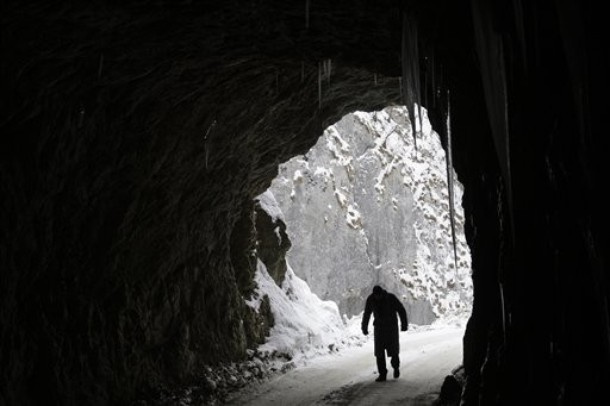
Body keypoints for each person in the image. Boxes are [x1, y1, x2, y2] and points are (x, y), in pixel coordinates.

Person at [361, 285, 409, 382]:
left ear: (382, 293)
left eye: (378, 296)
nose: (377, 298)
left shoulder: (391, 298)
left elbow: (401, 310)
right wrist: (364, 327)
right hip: (379, 328)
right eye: (375, 296)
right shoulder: (371, 299)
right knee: (379, 353)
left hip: (391, 328)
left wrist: (404, 324)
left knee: (394, 351)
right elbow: (367, 313)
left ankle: (396, 367)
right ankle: (382, 374)